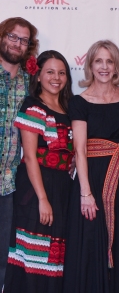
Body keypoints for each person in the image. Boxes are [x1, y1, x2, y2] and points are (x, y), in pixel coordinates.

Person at [63, 40, 119, 293]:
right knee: (92, 244)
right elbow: (80, 149)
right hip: (93, 182)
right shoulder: (80, 102)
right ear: (89, 65)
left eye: (109, 61)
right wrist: (85, 193)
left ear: (116, 66)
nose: (104, 66)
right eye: (98, 61)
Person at [3, 50, 74, 293]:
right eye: (50, 72)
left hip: (63, 187)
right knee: (35, 256)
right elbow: (30, 157)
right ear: (39, 76)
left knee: (55, 257)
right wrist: (43, 199)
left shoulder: (69, 106)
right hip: (37, 189)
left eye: (62, 73)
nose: (57, 78)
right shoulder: (33, 106)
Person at [0, 17, 39, 292]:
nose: (17, 43)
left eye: (23, 40)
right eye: (12, 37)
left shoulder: (30, 82)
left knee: (4, 254)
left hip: (9, 183)